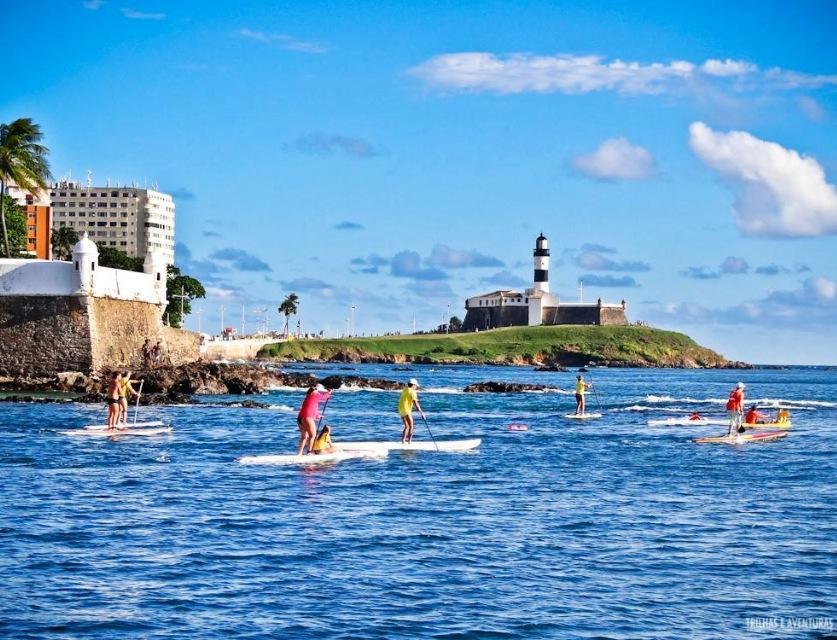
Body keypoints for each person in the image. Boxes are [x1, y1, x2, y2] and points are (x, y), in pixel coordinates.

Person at [297, 384, 331, 455]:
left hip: (300, 418)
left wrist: (318, 416)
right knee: (312, 435)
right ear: (315, 391)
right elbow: (324, 397)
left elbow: (311, 408)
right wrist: (329, 392)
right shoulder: (315, 394)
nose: (318, 392)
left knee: (304, 437)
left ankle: (299, 454)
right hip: (307, 417)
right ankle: (309, 452)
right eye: (318, 391)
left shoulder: (308, 396)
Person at [398, 378, 425, 444]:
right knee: (411, 426)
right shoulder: (413, 392)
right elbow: (416, 403)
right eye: (415, 386)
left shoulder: (405, 390)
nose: (416, 387)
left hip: (401, 410)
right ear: (413, 385)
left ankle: (403, 441)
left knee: (406, 426)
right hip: (407, 410)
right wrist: (421, 413)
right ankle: (409, 442)